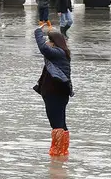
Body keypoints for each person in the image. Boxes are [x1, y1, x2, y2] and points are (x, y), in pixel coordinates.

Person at [33, 26, 73, 157]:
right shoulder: (62, 52)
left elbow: (43, 48)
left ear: (53, 43)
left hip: (54, 93)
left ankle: (57, 153)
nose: (46, 43)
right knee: (60, 122)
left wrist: (38, 31)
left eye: (48, 40)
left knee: (56, 123)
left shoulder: (58, 52)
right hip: (57, 93)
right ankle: (62, 151)